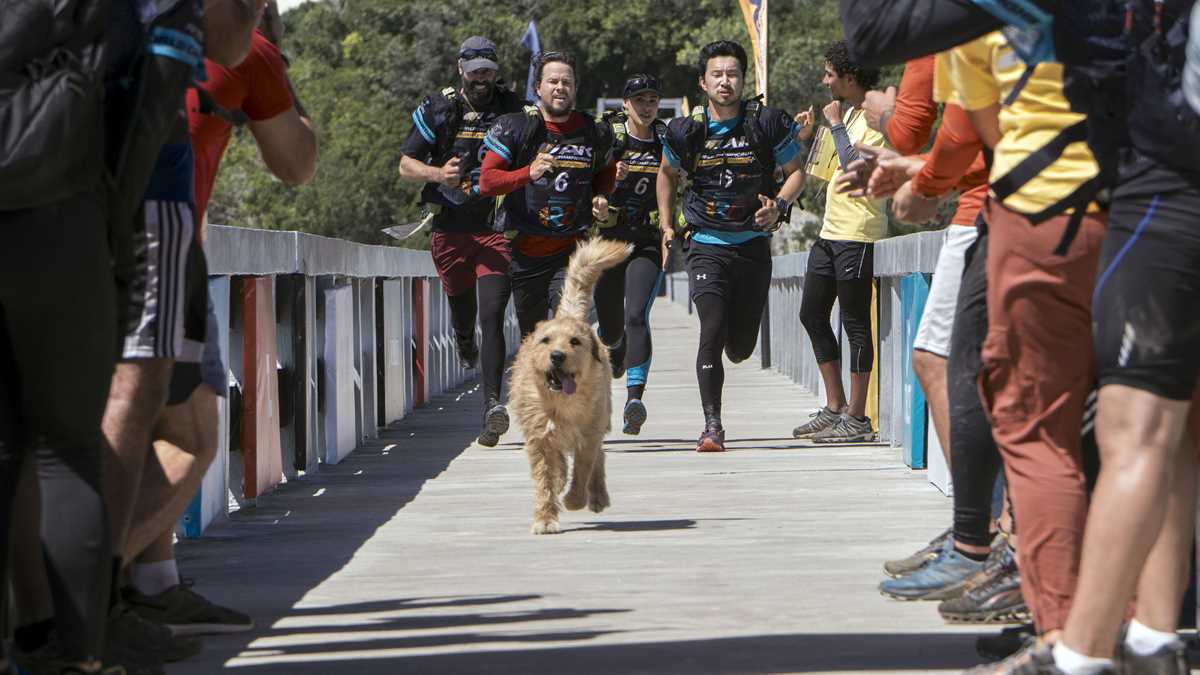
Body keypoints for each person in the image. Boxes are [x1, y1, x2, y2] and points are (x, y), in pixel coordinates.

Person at [113, 15, 317, 642]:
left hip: (66, 236)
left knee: (131, 431)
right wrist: (279, 66)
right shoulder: (248, 49)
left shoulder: (104, 32)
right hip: (162, 251)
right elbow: (296, 162)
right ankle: (71, 597)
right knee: (191, 435)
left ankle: (153, 584)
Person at [934, 30, 1107, 674]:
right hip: (1155, 210)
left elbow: (976, 133)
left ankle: (1061, 634)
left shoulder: (978, 18)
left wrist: (920, 181)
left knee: (1038, 430)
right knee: (1145, 432)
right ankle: (1144, 628)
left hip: (1042, 213)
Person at [1053, 1, 1200, 674]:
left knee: (1135, 426)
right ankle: (1152, 637)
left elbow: (877, 29)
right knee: (1171, 426)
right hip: (1160, 177)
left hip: (1164, 183)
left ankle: (1081, 655)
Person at [657, 40, 807, 453]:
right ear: (703, 82)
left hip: (753, 246)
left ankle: (735, 344)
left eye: (733, 74)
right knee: (712, 328)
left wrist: (778, 206)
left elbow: (796, 172)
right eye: (717, 75)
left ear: (743, 80)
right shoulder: (685, 131)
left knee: (740, 347)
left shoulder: (766, 123)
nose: (725, 82)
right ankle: (712, 426)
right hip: (706, 243)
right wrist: (667, 225)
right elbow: (666, 174)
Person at [398, 37, 523, 447]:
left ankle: (491, 407)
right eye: (475, 72)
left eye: (488, 71)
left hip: (495, 227)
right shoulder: (439, 108)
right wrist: (439, 175)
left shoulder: (513, 107)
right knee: (463, 309)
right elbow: (405, 165)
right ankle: (463, 339)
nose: (482, 79)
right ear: (460, 70)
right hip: (450, 227)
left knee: (493, 314)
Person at [479, 50, 617, 338]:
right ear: (537, 87)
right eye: (553, 81)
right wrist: (527, 173)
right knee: (534, 339)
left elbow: (607, 170)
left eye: (567, 82)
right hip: (525, 251)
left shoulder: (594, 131)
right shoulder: (517, 127)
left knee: (569, 326)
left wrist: (601, 195)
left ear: (575, 87)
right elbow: (488, 181)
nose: (560, 88)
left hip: (571, 250)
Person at [791, 40, 888, 444]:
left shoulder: (878, 116)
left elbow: (856, 172)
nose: (824, 80)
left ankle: (857, 417)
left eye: (829, 74)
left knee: (855, 325)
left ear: (850, 77)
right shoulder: (846, 113)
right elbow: (824, 168)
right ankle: (834, 406)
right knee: (811, 314)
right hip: (830, 233)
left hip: (858, 234)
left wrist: (834, 125)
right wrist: (805, 136)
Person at [593, 74, 668, 435]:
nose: (646, 107)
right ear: (625, 104)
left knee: (636, 314)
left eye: (652, 100)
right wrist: (609, 177)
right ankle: (615, 344)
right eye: (639, 100)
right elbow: (586, 180)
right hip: (610, 240)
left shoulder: (666, 140)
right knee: (610, 329)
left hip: (646, 240)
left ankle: (634, 399)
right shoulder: (610, 137)